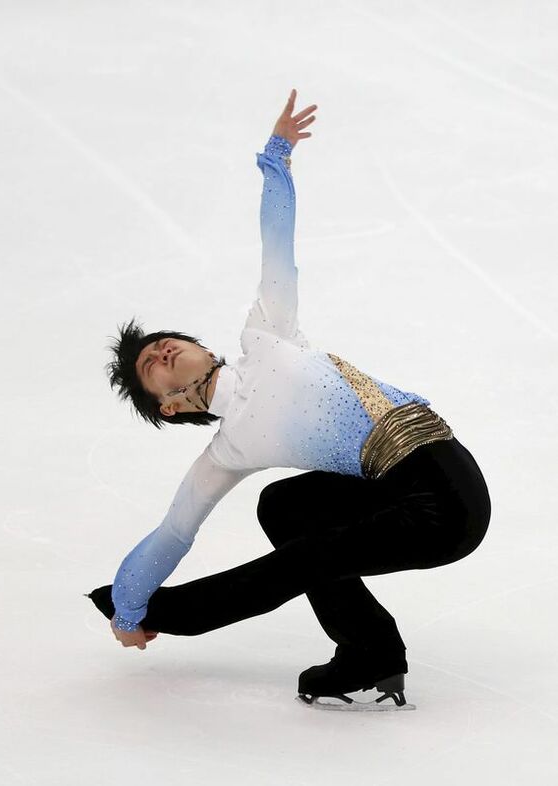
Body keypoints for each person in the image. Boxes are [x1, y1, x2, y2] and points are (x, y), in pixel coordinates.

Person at [88, 89, 491, 707]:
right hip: (391, 498)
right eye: (150, 365)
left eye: (166, 343)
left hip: (444, 496)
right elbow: (173, 533)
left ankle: (178, 615)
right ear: (169, 405)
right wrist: (128, 607)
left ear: (199, 345)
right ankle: (370, 649)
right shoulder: (226, 453)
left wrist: (276, 156)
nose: (161, 351)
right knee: (284, 506)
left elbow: (277, 241)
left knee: (299, 562)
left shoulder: (267, 334)